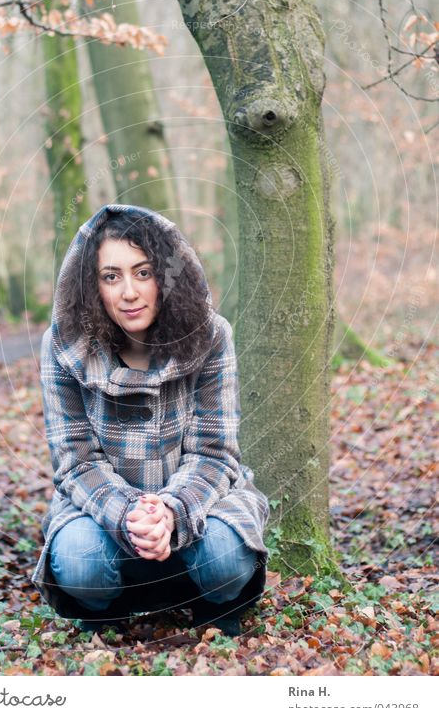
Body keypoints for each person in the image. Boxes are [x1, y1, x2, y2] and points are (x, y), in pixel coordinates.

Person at [31, 204, 270, 635]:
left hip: (200, 503)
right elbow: (75, 461)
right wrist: (128, 514)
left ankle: (213, 607)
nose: (129, 292)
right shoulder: (62, 345)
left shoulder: (212, 335)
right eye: (111, 276)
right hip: (100, 511)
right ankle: (108, 611)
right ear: (91, 285)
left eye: (143, 273)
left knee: (225, 558)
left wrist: (171, 512)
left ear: (167, 274)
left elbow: (214, 453)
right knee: (81, 562)